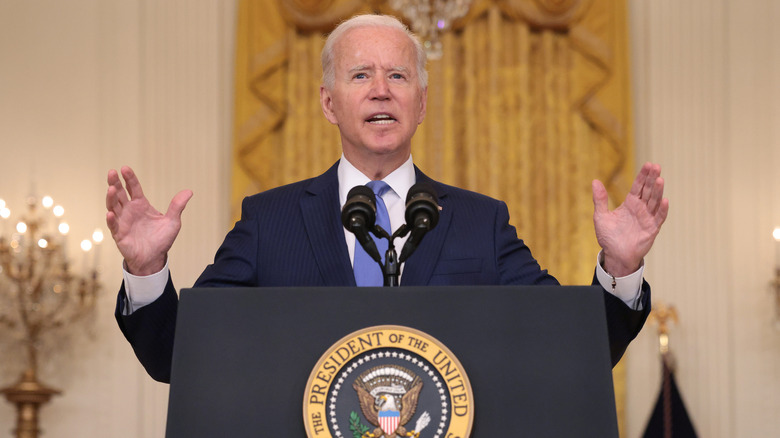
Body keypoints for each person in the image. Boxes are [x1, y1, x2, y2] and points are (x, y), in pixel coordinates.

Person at [106, 14, 668, 383]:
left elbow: (569, 350)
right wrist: (147, 269)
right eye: (360, 75)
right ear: (329, 103)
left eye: (398, 75)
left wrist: (620, 267)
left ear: (420, 103)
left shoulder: (480, 222)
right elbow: (178, 357)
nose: (381, 89)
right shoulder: (270, 219)